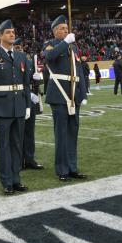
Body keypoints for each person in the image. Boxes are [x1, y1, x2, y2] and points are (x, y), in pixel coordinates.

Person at [0, 21, 31, 194]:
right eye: (8, 32)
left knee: (17, 145)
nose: (12, 35)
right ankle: (6, 181)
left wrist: (27, 106)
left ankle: (16, 179)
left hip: (19, 107)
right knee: (4, 146)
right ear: (0, 35)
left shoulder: (21, 57)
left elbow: (26, 83)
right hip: (2, 107)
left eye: (13, 31)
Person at [43, 15, 88, 181]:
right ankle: (62, 170)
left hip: (73, 94)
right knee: (61, 134)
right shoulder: (50, 44)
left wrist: (82, 93)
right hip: (59, 94)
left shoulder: (74, 48)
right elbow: (49, 57)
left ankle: (72, 167)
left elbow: (79, 71)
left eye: (67, 28)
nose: (66, 30)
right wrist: (64, 42)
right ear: (55, 31)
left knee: (73, 132)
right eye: (62, 28)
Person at [14, 38, 44, 171]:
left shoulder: (29, 62)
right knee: (18, 133)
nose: (18, 49)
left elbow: (31, 82)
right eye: (16, 47)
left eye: (20, 47)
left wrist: (38, 79)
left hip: (29, 101)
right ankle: (18, 161)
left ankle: (30, 159)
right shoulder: (10, 62)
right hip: (17, 100)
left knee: (29, 132)